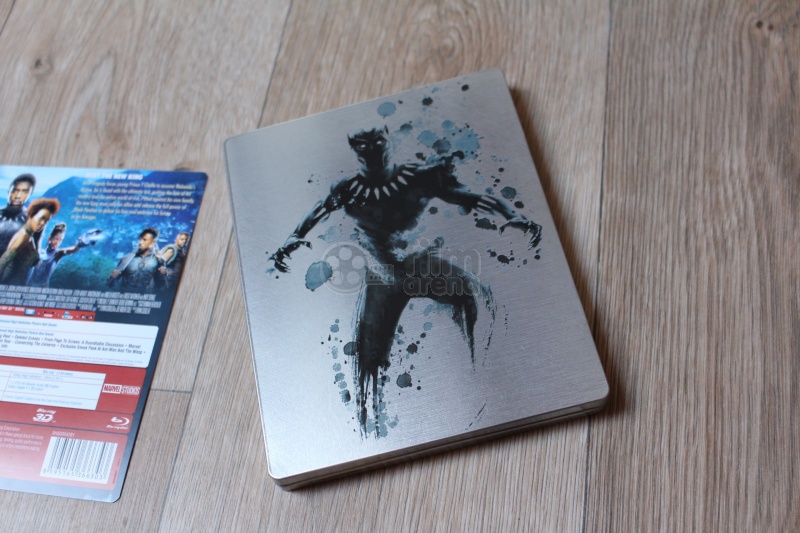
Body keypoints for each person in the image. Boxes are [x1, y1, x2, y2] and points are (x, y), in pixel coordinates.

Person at [268, 127, 542, 432]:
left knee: (474, 299)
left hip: (421, 265)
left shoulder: (420, 177)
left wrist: (511, 215)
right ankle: (368, 426)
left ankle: (491, 381)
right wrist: (292, 239)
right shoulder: (348, 190)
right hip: (383, 277)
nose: (372, 150)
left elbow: (471, 197)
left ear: (388, 140)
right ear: (355, 149)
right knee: (367, 359)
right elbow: (317, 213)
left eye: (377, 142)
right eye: (363, 146)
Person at [0, 198, 59, 285]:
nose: (43, 223)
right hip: (10, 282)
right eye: (41, 218)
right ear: (31, 215)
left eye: (46, 221)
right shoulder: (24, 235)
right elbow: (3, 262)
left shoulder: (30, 235)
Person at [28, 224, 102, 287]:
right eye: (56, 239)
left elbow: (73, 249)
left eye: (60, 240)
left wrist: (82, 242)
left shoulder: (58, 253)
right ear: (49, 239)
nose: (57, 242)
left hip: (42, 289)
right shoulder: (39, 252)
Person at [0, 174, 36, 253]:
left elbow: (35, 251)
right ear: (9, 191)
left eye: (25, 192)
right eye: (15, 190)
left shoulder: (33, 220)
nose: (18, 196)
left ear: (30, 194)